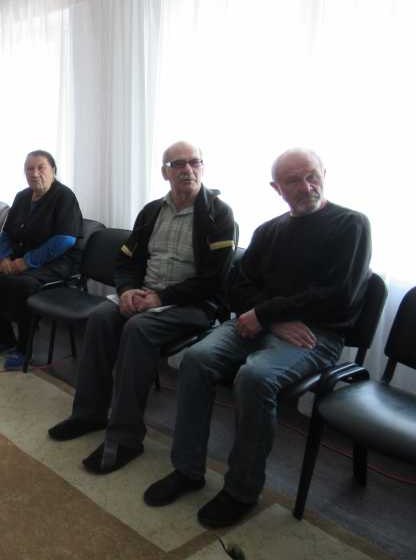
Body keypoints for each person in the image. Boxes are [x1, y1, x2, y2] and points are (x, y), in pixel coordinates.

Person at [144, 148, 371, 529]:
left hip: (317, 335)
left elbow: (338, 295)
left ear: (324, 174)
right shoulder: (269, 231)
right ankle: (187, 470)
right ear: (276, 188)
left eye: (312, 176)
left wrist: (265, 314)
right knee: (196, 359)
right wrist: (270, 319)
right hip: (263, 324)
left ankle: (241, 490)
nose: (306, 186)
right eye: (293, 180)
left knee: (255, 377)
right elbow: (236, 286)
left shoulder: (351, 225)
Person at [47, 141, 236, 475]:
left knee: (138, 328)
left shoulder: (218, 215)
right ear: (165, 172)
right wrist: (126, 290)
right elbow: (125, 260)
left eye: (194, 162)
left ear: (202, 167)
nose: (187, 169)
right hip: (146, 295)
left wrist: (162, 298)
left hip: (193, 304)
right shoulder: (151, 211)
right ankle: (89, 414)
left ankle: (125, 438)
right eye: (178, 164)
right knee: (101, 317)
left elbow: (214, 280)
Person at [0, 150, 83, 371]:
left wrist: (27, 262)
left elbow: (65, 239)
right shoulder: (22, 197)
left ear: (53, 170)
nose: (34, 173)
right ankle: (6, 339)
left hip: (56, 262)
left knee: (22, 285)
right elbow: (7, 233)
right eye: (29, 169)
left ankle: (24, 347)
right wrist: (4, 257)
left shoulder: (64, 197)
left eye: (40, 168)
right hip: (20, 256)